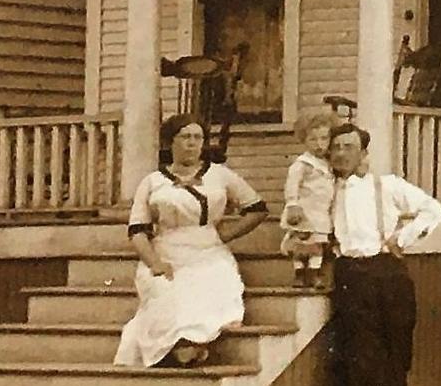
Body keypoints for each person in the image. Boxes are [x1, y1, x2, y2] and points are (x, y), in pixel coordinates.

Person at [327, 121, 441, 386]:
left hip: (387, 273)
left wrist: (402, 238)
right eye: (335, 147)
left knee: (395, 359)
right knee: (364, 359)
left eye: (348, 147)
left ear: (364, 153)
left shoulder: (387, 185)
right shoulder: (327, 190)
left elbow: (435, 210)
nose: (340, 153)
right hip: (350, 274)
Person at [114, 114, 269, 367]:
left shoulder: (220, 175)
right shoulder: (152, 181)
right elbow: (138, 231)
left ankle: (187, 345)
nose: (192, 143)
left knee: (212, 289)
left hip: (208, 251)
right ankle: (178, 347)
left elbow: (258, 209)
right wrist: (154, 263)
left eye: (198, 138)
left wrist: (224, 236)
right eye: (185, 137)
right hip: (167, 252)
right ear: (170, 142)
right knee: (166, 294)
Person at [279, 110, 338, 288]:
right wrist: (292, 204)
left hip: (320, 211)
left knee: (318, 245)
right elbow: (292, 185)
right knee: (301, 244)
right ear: (304, 140)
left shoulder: (327, 164)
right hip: (304, 210)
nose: (319, 144)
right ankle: (299, 273)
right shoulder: (303, 163)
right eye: (313, 139)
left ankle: (313, 273)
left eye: (324, 139)